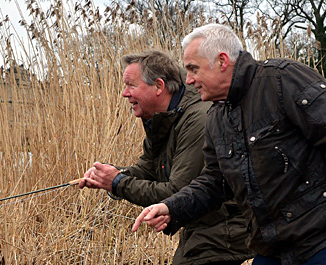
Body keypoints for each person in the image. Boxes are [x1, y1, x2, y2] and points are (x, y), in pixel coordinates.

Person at [132, 24, 326, 265]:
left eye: (194, 69)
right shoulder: (217, 118)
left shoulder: (282, 80)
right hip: (273, 249)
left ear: (221, 61)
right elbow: (214, 182)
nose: (188, 80)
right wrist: (171, 207)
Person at [79, 50, 253, 265]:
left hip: (227, 226)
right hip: (204, 223)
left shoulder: (199, 119)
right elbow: (149, 168)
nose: (125, 93)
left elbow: (177, 191)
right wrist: (109, 175)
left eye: (131, 85)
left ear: (159, 86)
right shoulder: (162, 118)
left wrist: (117, 183)